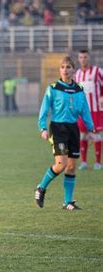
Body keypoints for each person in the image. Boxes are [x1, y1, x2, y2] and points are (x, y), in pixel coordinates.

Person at [35, 56, 96, 211]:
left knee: (71, 167)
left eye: (68, 67)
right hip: (58, 128)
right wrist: (42, 128)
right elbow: (44, 110)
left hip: (73, 129)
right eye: (63, 67)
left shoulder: (79, 90)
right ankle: (41, 188)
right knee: (61, 164)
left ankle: (67, 202)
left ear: (73, 70)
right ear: (59, 70)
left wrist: (90, 129)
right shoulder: (53, 88)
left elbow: (85, 111)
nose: (65, 70)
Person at [74, 49, 103, 170]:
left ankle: (97, 162)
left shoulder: (97, 71)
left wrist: (102, 96)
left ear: (89, 58)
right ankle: (84, 162)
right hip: (82, 111)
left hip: (95, 109)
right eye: (81, 57)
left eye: (85, 57)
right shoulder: (77, 74)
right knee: (82, 135)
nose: (83, 59)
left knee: (95, 135)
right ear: (78, 59)